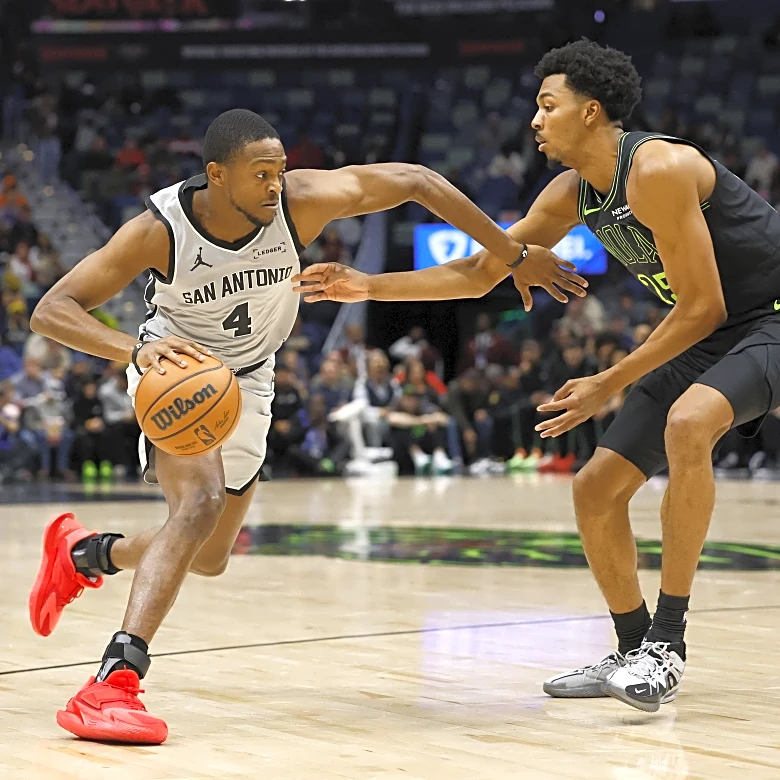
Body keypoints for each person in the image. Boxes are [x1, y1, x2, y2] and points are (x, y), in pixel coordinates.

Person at [27, 107, 582, 744]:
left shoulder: (301, 204)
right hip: (177, 370)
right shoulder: (160, 231)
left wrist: (510, 254)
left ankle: (82, 554)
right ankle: (111, 683)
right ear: (216, 175)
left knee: (206, 557)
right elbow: (52, 309)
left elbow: (416, 180)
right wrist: (133, 350)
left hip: (252, 378)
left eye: (280, 170)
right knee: (200, 502)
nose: (275, 185)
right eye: (260, 174)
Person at [293, 40, 780, 713]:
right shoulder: (572, 192)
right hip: (708, 332)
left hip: (767, 318)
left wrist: (607, 380)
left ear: (591, 111)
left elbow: (704, 306)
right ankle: (633, 647)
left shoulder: (659, 168)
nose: (534, 119)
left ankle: (668, 644)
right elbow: (480, 270)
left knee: (688, 422)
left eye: (547, 104)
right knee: (594, 490)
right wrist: (368, 285)